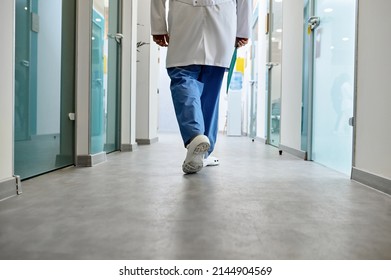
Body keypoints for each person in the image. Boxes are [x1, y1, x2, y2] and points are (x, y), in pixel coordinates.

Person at [151, 0, 251, 174]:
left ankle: (196, 136)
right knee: (210, 89)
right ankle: (203, 151)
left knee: (182, 76)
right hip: (222, 17)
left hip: (185, 16)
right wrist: (243, 28)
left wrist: (158, 25)